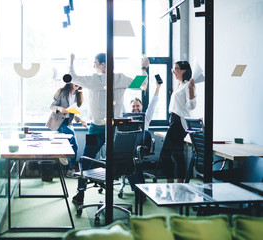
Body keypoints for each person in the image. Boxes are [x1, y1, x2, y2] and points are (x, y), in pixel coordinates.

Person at [69, 53, 150, 205]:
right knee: (126, 158)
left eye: (95, 63)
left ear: (103, 64)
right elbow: (142, 84)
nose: (93, 66)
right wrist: (143, 68)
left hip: (103, 128)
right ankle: (138, 193)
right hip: (111, 129)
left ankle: (80, 194)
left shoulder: (93, 80)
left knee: (86, 159)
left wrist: (72, 61)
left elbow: (73, 76)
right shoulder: (120, 78)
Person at [160, 61, 196, 183]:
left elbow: (192, 105)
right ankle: (178, 185)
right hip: (173, 120)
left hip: (178, 122)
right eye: (173, 69)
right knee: (177, 154)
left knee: (164, 155)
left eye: (176, 69)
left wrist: (191, 89)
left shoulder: (187, 85)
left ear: (184, 70)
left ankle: (173, 184)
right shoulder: (180, 85)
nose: (173, 71)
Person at [46, 83, 88, 177]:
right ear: (71, 82)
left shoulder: (78, 95)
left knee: (75, 146)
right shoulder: (61, 92)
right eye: (75, 82)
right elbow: (52, 106)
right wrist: (59, 108)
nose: (77, 84)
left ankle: (71, 169)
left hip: (68, 123)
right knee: (71, 134)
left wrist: (81, 120)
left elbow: (73, 111)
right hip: (58, 122)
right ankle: (62, 155)